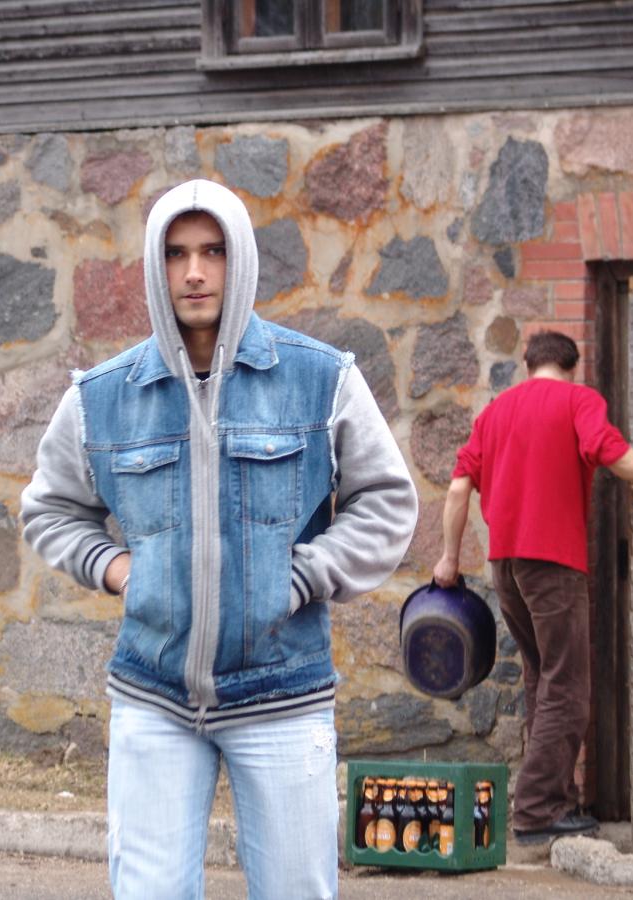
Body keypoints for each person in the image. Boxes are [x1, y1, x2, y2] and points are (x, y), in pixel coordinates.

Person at [21, 179, 418, 898]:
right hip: (155, 697)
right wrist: (118, 569)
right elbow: (49, 509)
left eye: (213, 251)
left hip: (283, 692)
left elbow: (387, 503)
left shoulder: (320, 379)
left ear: (241, 260)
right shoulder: (102, 397)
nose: (195, 272)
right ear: (155, 266)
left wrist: (299, 577)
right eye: (176, 254)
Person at [432, 330, 633, 844]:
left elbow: (459, 488)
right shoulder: (579, 400)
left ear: (528, 363)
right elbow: (611, 451)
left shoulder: (495, 412)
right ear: (573, 366)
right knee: (568, 687)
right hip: (553, 563)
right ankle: (535, 811)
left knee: (542, 679)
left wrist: (449, 557)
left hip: (506, 564)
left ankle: (556, 800)